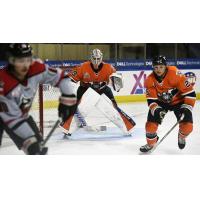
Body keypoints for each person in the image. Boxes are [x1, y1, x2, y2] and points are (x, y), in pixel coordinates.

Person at [0, 43, 77, 154]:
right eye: (21, 61)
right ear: (11, 61)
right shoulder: (3, 82)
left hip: (20, 116)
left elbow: (61, 77)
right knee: (33, 146)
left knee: (38, 149)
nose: (26, 65)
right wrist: (30, 140)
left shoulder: (36, 67)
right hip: (8, 116)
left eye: (28, 60)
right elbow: (13, 119)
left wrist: (68, 97)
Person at [59, 48, 136, 134]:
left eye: (98, 59)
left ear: (101, 58)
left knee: (113, 109)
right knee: (79, 110)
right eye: (94, 59)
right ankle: (68, 126)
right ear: (91, 58)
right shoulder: (82, 67)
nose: (96, 61)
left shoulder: (109, 68)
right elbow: (70, 79)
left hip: (103, 90)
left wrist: (115, 82)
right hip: (85, 90)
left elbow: (117, 86)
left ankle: (128, 127)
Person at [140, 55, 196, 153]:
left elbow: (190, 92)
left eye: (161, 67)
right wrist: (156, 109)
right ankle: (151, 143)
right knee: (150, 127)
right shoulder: (149, 80)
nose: (158, 70)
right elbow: (151, 100)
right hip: (161, 103)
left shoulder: (175, 73)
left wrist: (187, 107)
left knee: (187, 127)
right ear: (153, 67)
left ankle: (182, 136)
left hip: (179, 101)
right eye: (156, 67)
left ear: (166, 66)